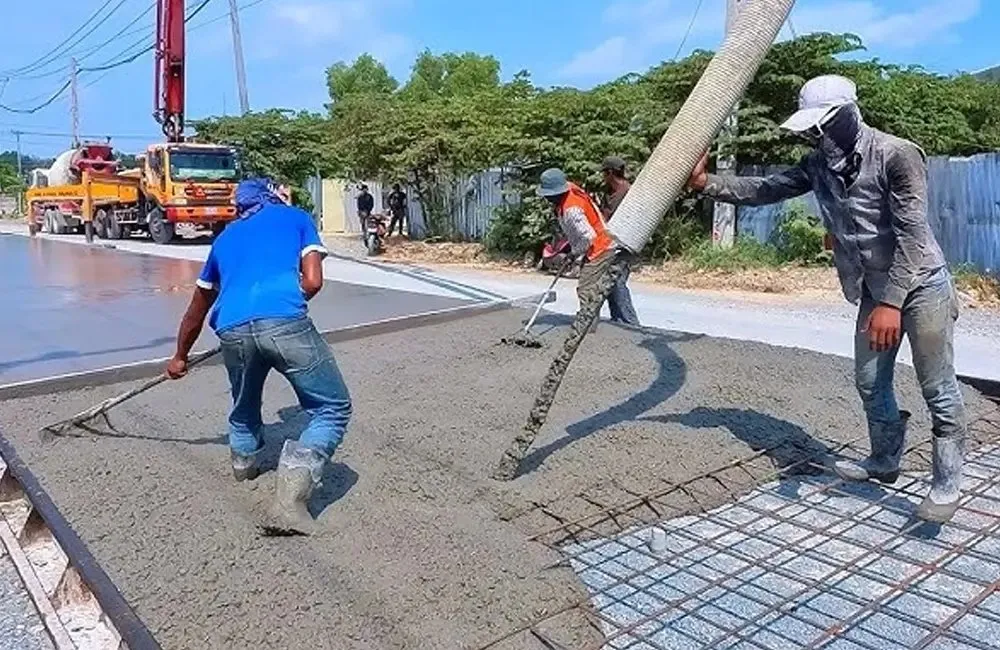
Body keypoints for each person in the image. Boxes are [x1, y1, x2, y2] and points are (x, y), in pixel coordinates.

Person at [687, 75, 966, 522]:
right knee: (871, 382)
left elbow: (913, 237)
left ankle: (947, 483)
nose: (818, 135)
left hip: (921, 285)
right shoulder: (818, 164)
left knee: (937, 385)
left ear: (850, 114)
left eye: (826, 124)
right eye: (812, 128)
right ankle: (884, 460)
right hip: (874, 289)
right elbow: (767, 189)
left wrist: (892, 304)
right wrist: (706, 185)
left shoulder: (897, 154)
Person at [166, 178, 353, 535]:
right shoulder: (295, 218)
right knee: (332, 407)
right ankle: (289, 504)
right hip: (284, 322)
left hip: (232, 331)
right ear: (271, 196)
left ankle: (244, 465)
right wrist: (278, 312)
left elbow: (197, 307)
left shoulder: (224, 239)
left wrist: (179, 356)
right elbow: (312, 281)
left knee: (245, 401)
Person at [537, 168, 616, 327]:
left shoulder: (572, 209)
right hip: (601, 243)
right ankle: (603, 319)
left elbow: (588, 236)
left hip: (600, 248)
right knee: (606, 287)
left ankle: (587, 324)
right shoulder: (571, 190)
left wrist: (573, 254)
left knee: (586, 287)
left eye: (548, 195)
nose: (546, 198)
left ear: (556, 193)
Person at [599, 156, 640, 326]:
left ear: (610, 173)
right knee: (610, 281)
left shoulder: (627, 192)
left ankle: (631, 323)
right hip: (610, 242)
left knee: (617, 281)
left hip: (625, 242)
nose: (602, 177)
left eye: (604, 173)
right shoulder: (609, 193)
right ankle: (617, 321)